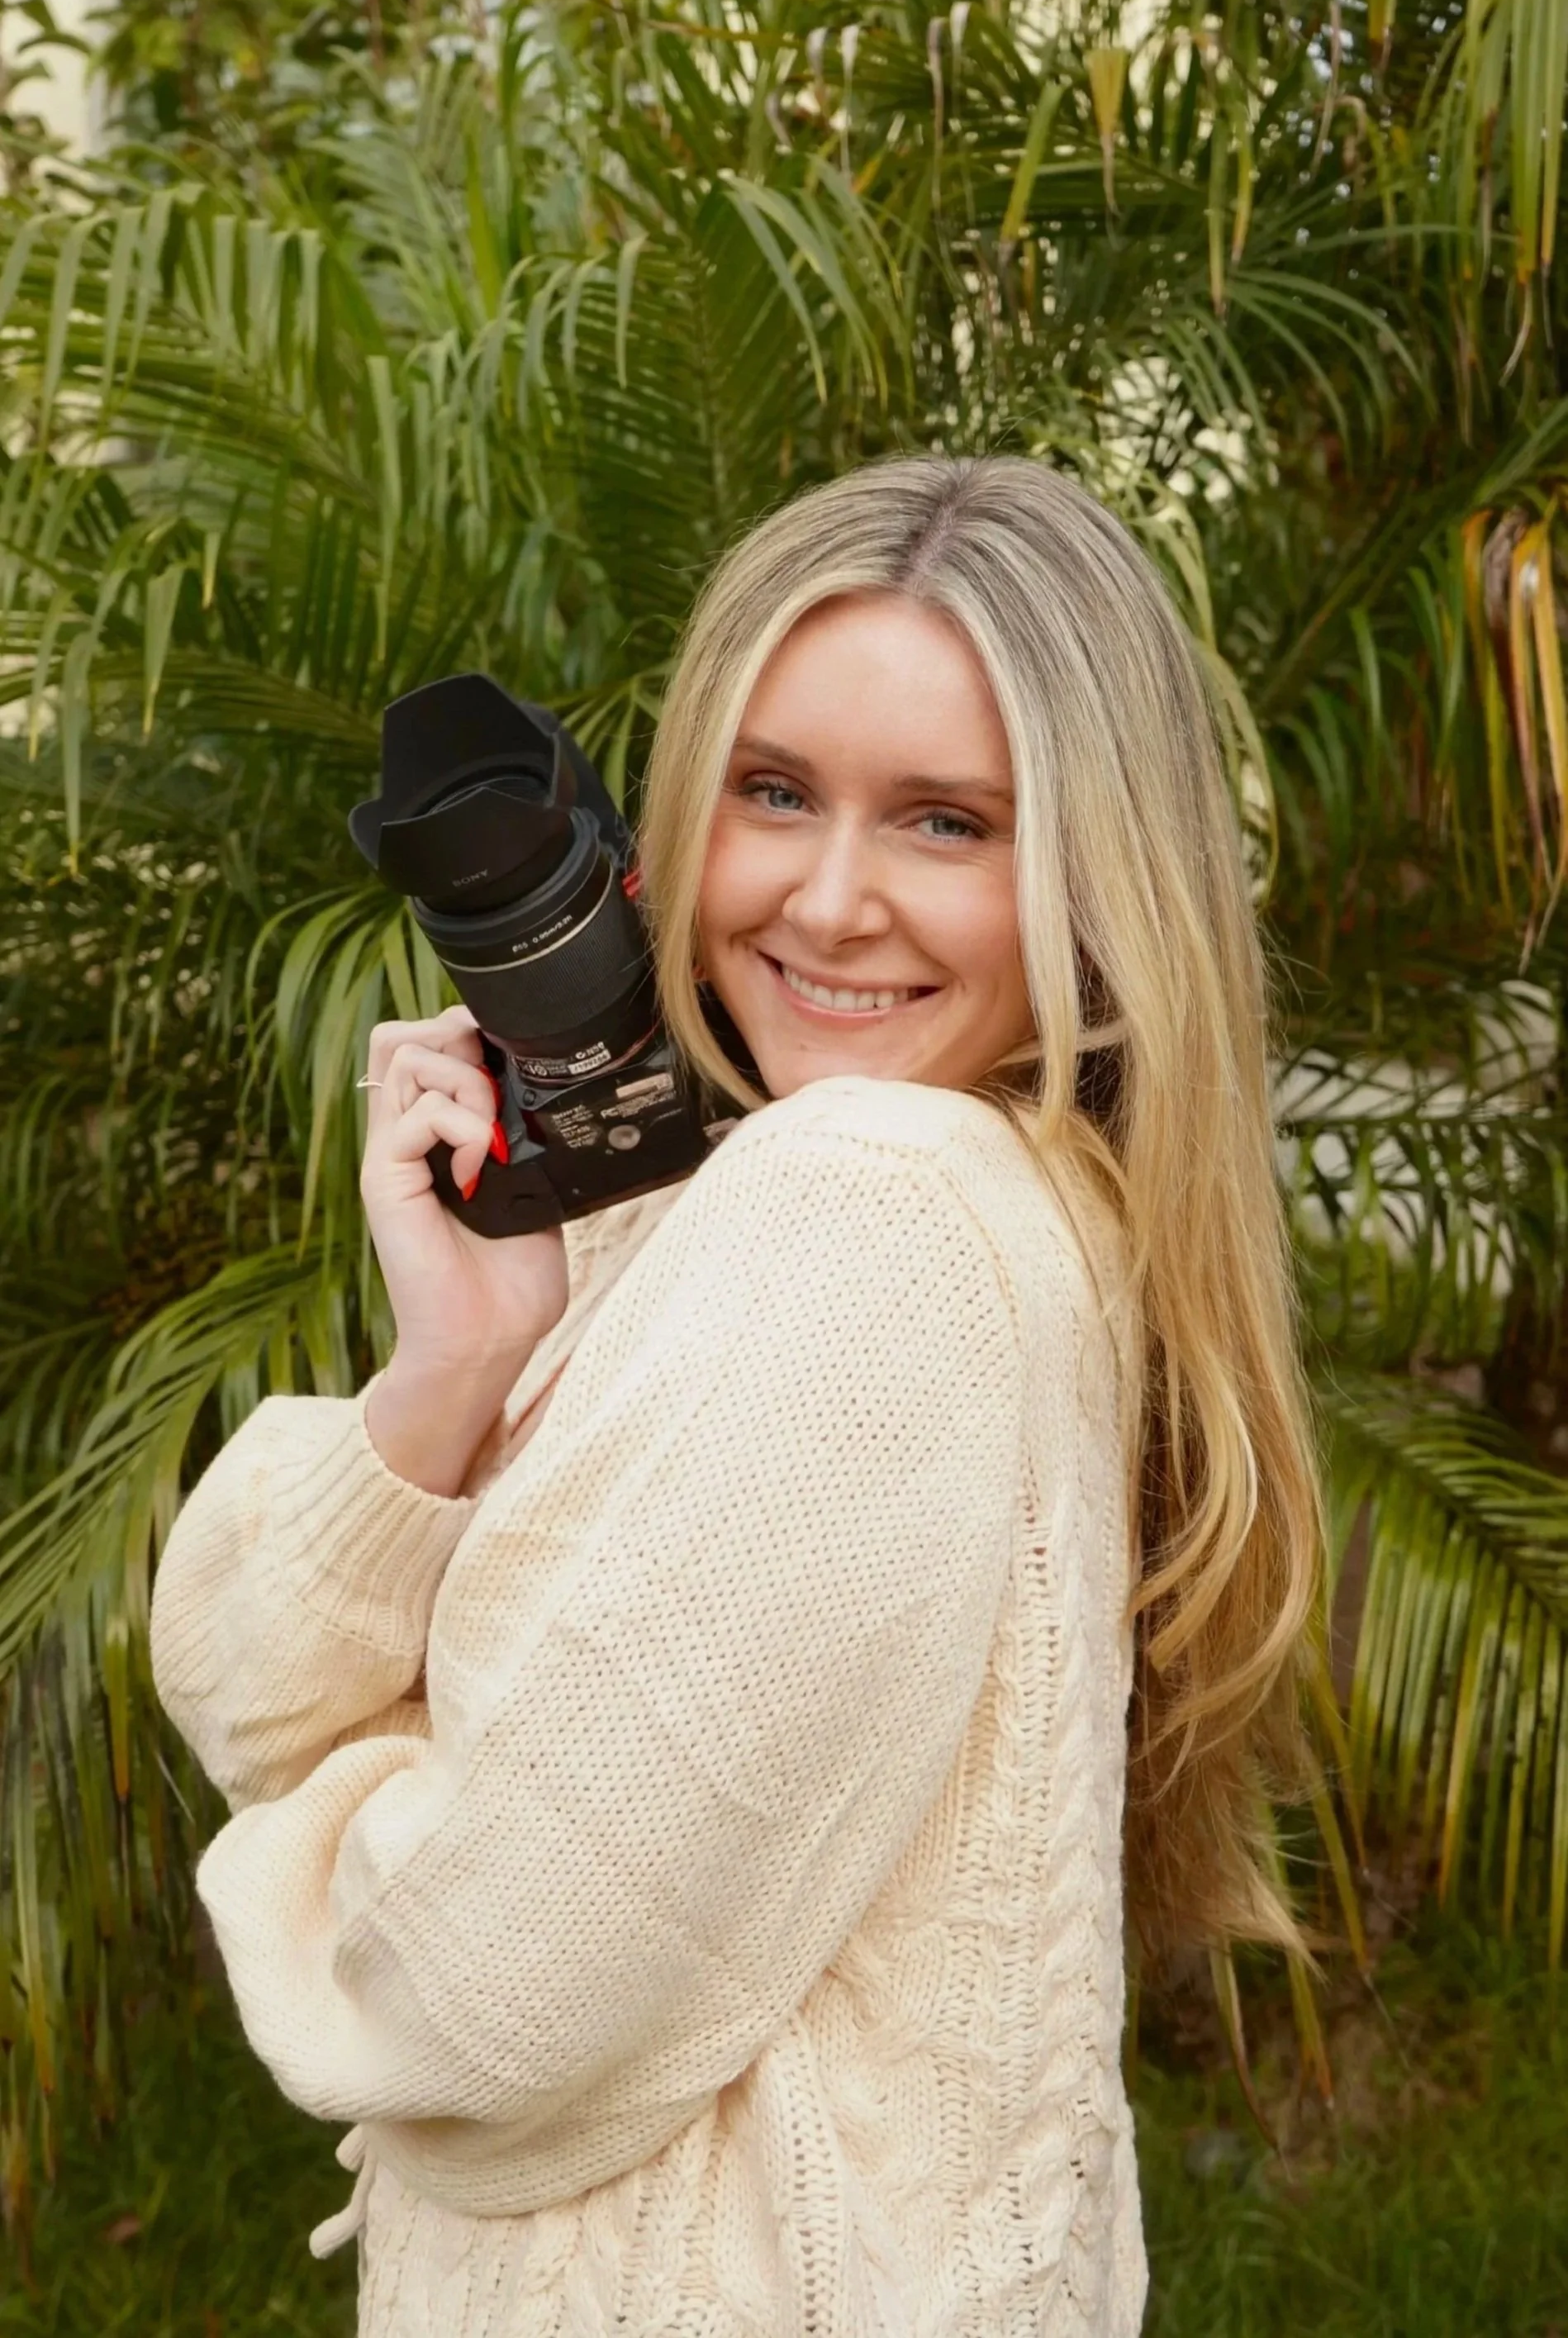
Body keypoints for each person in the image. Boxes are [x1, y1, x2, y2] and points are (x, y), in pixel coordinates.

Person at [150, 454, 1324, 2337]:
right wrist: (460, 1361)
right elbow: (239, 1674)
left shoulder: (865, 1206)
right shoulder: (887, 1200)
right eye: (773, 793)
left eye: (945, 821)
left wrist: (346, 1815)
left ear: (1100, 876)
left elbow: (461, 1999)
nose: (831, 899)